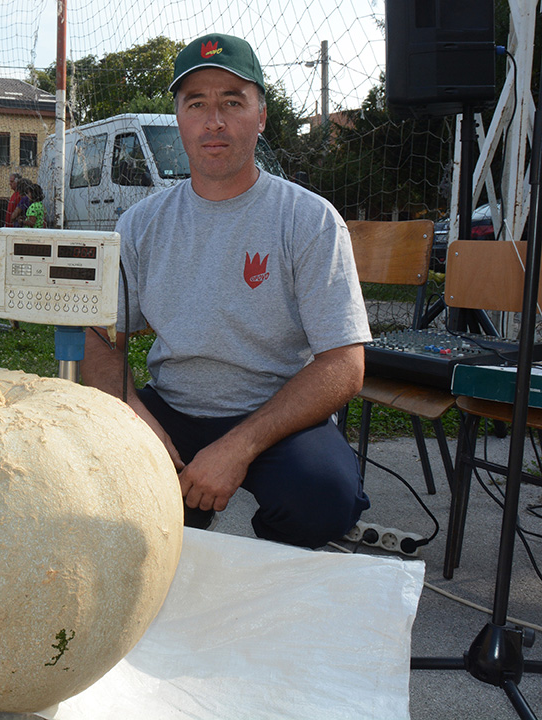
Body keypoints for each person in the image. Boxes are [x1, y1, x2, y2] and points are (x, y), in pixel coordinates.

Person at [82, 34, 371, 549]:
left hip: (276, 415)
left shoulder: (309, 219)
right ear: (179, 120)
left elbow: (344, 365)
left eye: (232, 103)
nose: (214, 121)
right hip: (171, 405)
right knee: (94, 483)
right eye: (197, 104)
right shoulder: (140, 225)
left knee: (323, 495)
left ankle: (257, 575)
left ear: (261, 116)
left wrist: (238, 447)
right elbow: (95, 341)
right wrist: (138, 419)